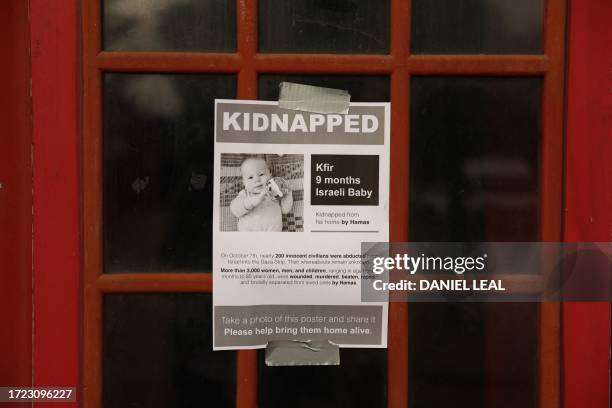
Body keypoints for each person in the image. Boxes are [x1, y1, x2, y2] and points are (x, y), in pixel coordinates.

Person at [230, 157, 293, 231]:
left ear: (270, 176)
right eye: (250, 177)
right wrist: (250, 202)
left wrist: (288, 194)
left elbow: (285, 210)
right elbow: (235, 210)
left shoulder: (274, 193)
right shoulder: (245, 194)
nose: (257, 179)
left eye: (261, 174)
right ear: (244, 182)